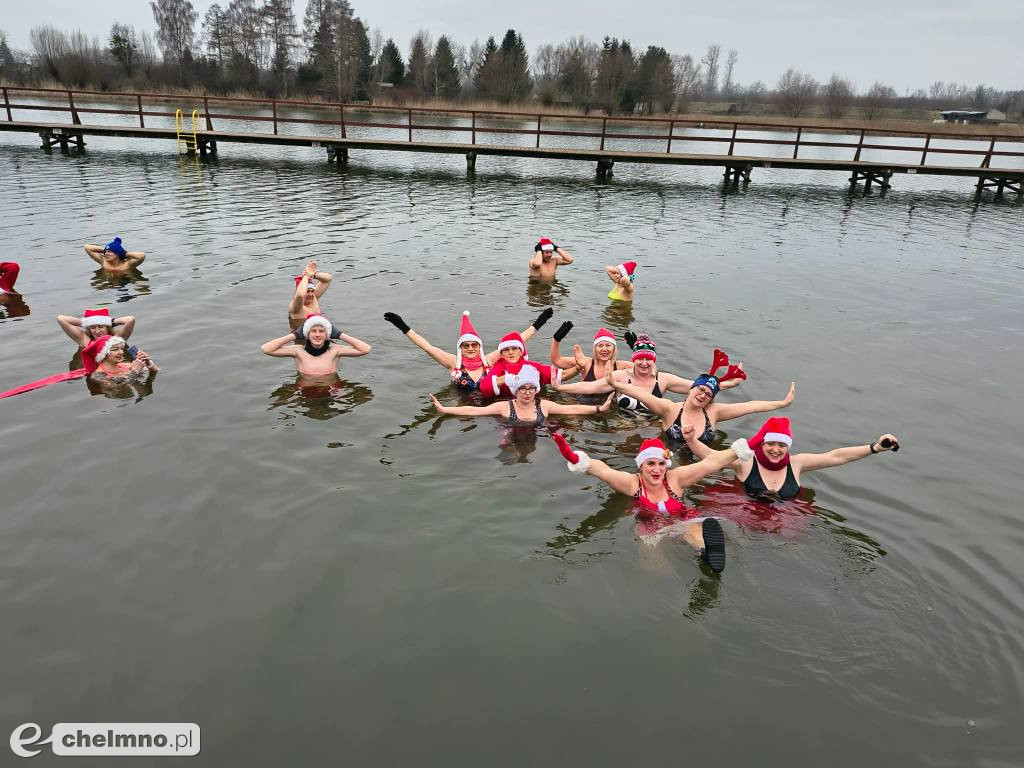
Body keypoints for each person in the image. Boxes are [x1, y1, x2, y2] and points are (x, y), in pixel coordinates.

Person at [552, 431, 757, 573]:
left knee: (696, 533)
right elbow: (603, 470)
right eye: (650, 464)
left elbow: (710, 463)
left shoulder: (676, 478)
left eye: (661, 464)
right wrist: (578, 459)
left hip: (683, 518)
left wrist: (740, 449)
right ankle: (700, 558)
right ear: (641, 466)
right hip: (649, 524)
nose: (657, 470)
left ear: (667, 465)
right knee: (656, 571)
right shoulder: (632, 484)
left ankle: (706, 555)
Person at [686, 416, 900, 502]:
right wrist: (691, 439)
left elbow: (836, 457)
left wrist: (875, 447)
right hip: (745, 517)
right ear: (761, 443)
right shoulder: (746, 461)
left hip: (785, 523)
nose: (776, 450)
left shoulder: (797, 463)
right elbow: (710, 458)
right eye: (771, 444)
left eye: (782, 445)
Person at [606, 348, 792, 446]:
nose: (702, 395)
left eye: (708, 395)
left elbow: (751, 406)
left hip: (701, 462)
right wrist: (616, 385)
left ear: (711, 399)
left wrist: (782, 403)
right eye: (700, 390)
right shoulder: (670, 409)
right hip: (671, 460)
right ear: (690, 389)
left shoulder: (714, 412)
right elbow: (641, 394)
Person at [553, 333, 743, 412]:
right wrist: (560, 387)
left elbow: (699, 387)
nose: (644, 363)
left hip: (651, 424)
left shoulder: (664, 379)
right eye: (640, 358)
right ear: (634, 359)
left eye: (648, 359)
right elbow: (590, 387)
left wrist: (729, 383)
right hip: (621, 424)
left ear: (654, 360)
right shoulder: (621, 376)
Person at [383, 309, 553, 393]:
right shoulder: (453, 363)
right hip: (461, 406)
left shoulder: (489, 360)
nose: (471, 348)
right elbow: (427, 346)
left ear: (479, 346)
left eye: (474, 345)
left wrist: (539, 323)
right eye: (466, 346)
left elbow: (517, 341)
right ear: (460, 348)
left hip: (489, 405)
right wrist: (403, 327)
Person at [429, 364, 613, 425]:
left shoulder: (544, 405)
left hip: (537, 434)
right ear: (515, 391)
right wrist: (445, 409)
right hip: (510, 430)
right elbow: (473, 411)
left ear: (536, 390)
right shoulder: (504, 406)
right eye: (522, 389)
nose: (526, 393)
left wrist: (598, 408)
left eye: (530, 388)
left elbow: (572, 408)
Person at [261, 314, 371, 376]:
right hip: (305, 389)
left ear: (327, 334)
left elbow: (366, 349)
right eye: (313, 331)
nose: (317, 335)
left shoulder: (335, 351)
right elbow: (266, 349)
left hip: (330, 389)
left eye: (321, 331)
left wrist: (339, 335)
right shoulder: (298, 351)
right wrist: (295, 335)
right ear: (307, 334)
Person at [477, 329, 564, 398]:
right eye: (506, 350)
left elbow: (561, 375)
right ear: (502, 355)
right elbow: (484, 387)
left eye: (514, 348)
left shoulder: (533, 366)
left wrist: (577, 368)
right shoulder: (498, 368)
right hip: (506, 404)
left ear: (520, 352)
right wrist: (507, 378)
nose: (510, 352)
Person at [549, 324, 632, 382]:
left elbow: (642, 368)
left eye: (608, 345)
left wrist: (636, 349)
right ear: (595, 349)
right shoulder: (586, 363)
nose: (604, 349)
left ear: (614, 349)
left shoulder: (621, 366)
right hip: (581, 402)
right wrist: (556, 340)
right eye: (600, 346)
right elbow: (556, 360)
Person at [83, 334, 158, 380]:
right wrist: (134, 372)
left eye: (121, 348)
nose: (121, 352)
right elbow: (118, 388)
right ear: (104, 354)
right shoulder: (98, 375)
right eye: (115, 349)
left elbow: (156, 371)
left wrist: (148, 363)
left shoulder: (125, 365)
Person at [57, 307, 135, 348]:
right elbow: (61, 318)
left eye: (101, 327)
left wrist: (111, 322)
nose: (97, 331)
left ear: (107, 327)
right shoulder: (85, 340)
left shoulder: (117, 338)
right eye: (92, 327)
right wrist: (86, 323)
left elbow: (130, 320)